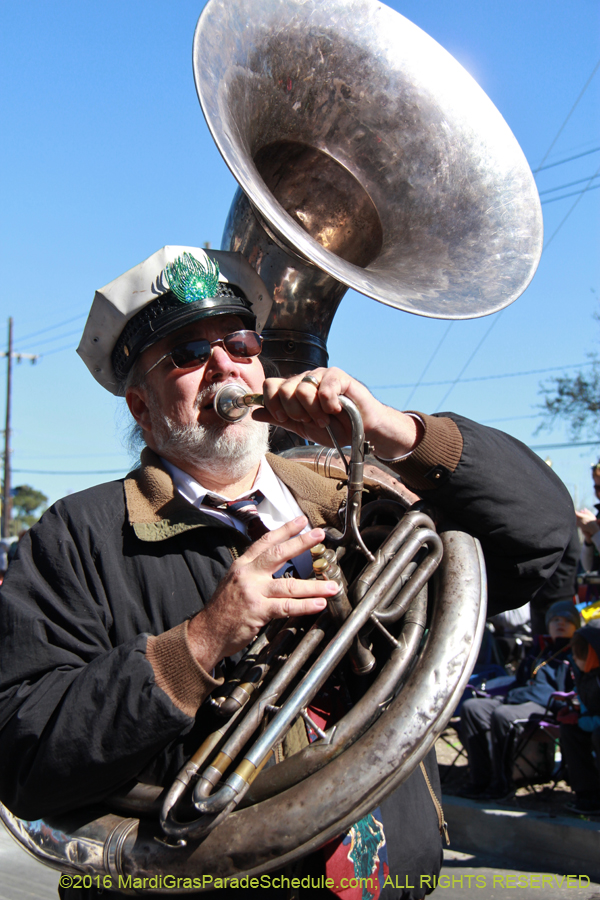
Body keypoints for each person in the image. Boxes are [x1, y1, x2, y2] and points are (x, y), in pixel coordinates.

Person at [0, 246, 576, 900]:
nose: (226, 365)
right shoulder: (77, 534)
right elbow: (20, 751)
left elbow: (541, 535)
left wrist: (392, 431)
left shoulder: (360, 499)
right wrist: (197, 645)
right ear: (142, 406)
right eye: (188, 355)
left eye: (241, 344)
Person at [459, 600, 579, 799]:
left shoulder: (574, 655)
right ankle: (480, 780)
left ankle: (502, 784)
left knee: (503, 715)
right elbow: (520, 681)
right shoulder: (539, 650)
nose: (561, 623)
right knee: (473, 707)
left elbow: (557, 693)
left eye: (567, 620)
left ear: (576, 625)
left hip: (545, 708)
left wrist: (520, 695)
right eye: (555, 619)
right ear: (547, 624)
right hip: (518, 699)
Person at [559, 624, 600, 814]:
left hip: (596, 726)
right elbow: (585, 704)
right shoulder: (584, 675)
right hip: (592, 722)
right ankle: (587, 793)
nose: (574, 658)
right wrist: (576, 715)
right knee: (570, 732)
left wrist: (581, 720)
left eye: (579, 653)